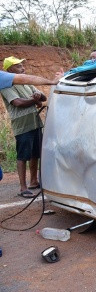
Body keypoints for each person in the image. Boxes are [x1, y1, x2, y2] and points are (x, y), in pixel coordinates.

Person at [0, 56, 48, 197]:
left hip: (34, 122)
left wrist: (39, 96)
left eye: (22, 65)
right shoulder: (6, 85)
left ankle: (33, 181)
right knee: (23, 156)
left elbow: (43, 98)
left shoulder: (26, 82)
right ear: (10, 70)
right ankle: (23, 188)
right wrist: (35, 99)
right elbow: (18, 103)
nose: (23, 68)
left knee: (35, 154)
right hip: (22, 125)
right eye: (19, 66)